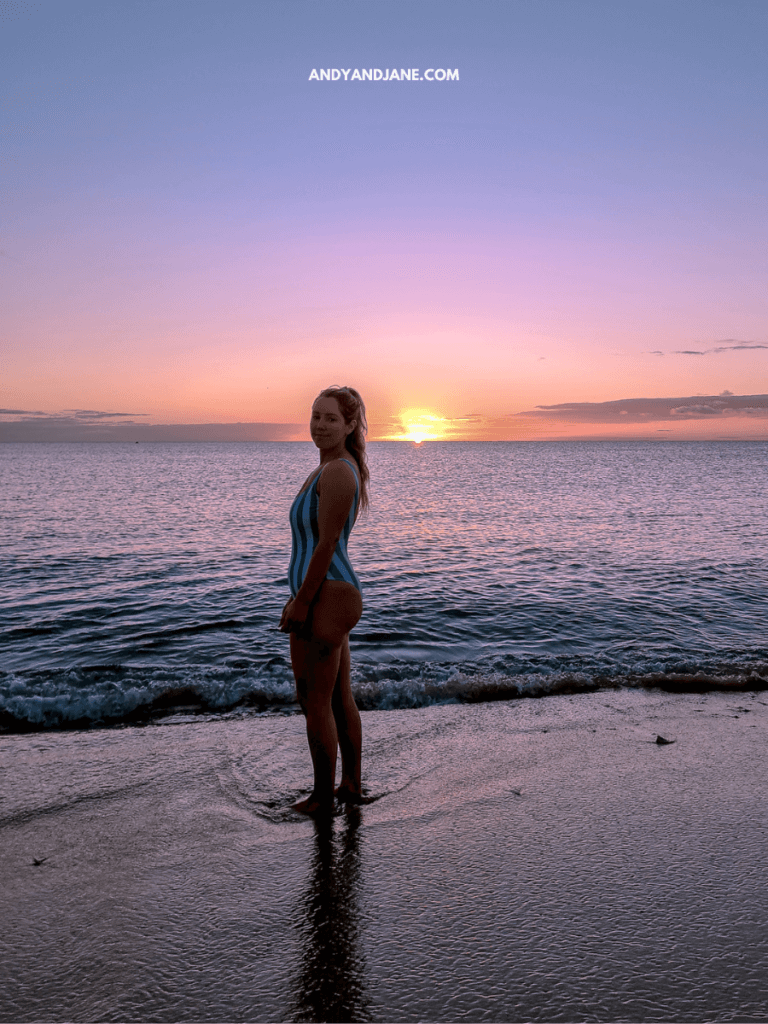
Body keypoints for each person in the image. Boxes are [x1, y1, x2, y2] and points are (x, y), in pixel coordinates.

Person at [279, 386, 370, 816]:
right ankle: (349, 786)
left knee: (313, 699)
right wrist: (298, 596)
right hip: (329, 594)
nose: (320, 424)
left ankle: (322, 798)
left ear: (350, 425)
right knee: (337, 698)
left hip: (328, 596)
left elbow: (327, 543)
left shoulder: (337, 472)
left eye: (331, 418)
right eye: (316, 415)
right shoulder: (328, 469)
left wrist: (302, 602)